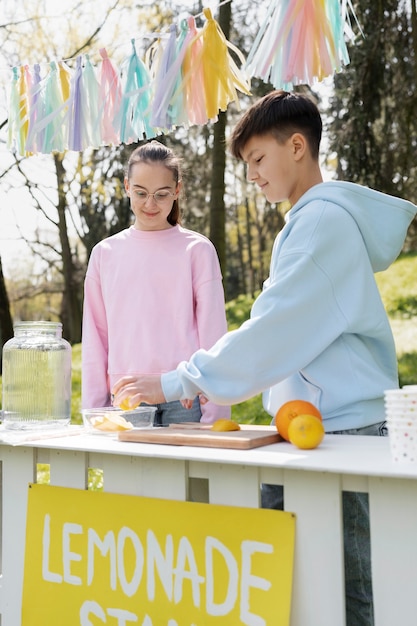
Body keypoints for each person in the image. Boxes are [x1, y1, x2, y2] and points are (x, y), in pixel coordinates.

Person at [112, 90, 417, 624]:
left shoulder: (322, 225)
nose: (251, 175)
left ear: (296, 146)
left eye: (257, 159)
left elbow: (274, 331)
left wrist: (178, 382)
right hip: (312, 430)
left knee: (348, 595)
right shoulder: (309, 222)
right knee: (304, 589)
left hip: (340, 436)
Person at [81, 139, 230, 425]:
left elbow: (213, 336)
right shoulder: (104, 254)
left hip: (185, 397)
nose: (150, 204)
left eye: (161, 194)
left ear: (177, 191)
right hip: (125, 396)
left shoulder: (197, 250)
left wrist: (216, 411)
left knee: (184, 472)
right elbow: (95, 338)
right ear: (126, 186)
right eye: (140, 193)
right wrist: (94, 409)